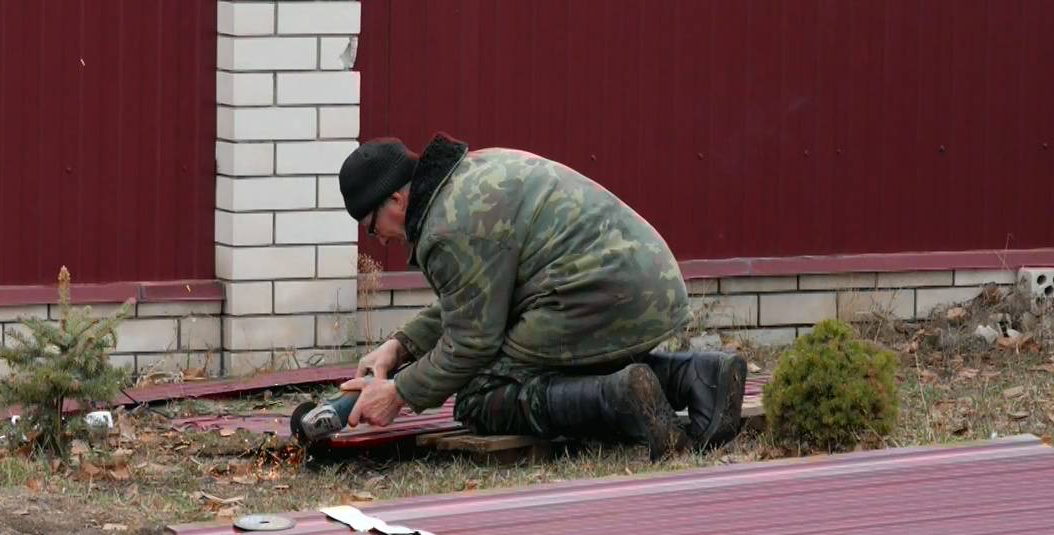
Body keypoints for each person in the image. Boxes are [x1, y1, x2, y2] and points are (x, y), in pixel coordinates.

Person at [297, 132, 745, 461]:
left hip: (597, 293)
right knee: (530, 364)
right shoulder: (467, 179)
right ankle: (695, 375)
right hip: (641, 282)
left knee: (481, 395)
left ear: (396, 200)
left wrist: (397, 393)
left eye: (372, 227)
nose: (379, 240)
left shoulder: (447, 229)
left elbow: (471, 343)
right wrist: (399, 347)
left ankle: (618, 396)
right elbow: (476, 295)